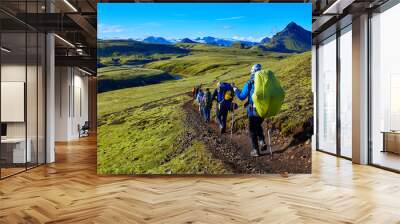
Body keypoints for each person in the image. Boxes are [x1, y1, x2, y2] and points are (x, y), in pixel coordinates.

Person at [233, 64, 265, 157]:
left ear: (252, 72)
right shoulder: (265, 81)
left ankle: (256, 150)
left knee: (252, 130)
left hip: (253, 110)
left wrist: (235, 89)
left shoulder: (250, 83)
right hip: (264, 109)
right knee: (258, 124)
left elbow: (242, 96)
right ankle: (262, 140)